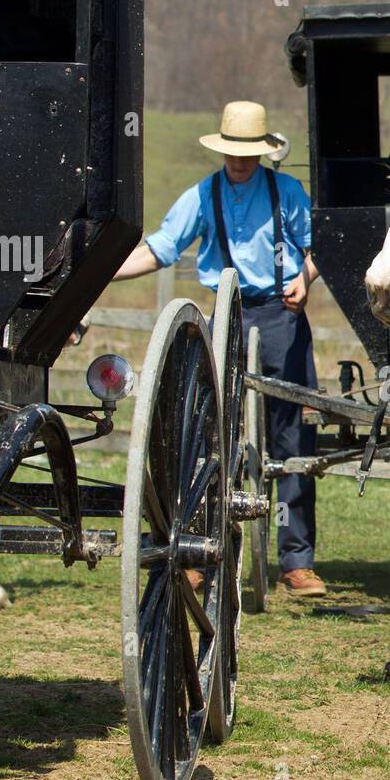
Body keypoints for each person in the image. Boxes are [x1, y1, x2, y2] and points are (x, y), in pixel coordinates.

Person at [114, 100, 327, 598]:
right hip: (227, 317)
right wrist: (98, 273)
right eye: (233, 152)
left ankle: (296, 562)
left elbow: (319, 246)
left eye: (249, 153)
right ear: (222, 150)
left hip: (283, 316)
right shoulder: (202, 195)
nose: (240, 161)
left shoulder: (286, 192)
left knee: (292, 438)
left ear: (260, 153)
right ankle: (201, 553)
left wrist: (305, 277)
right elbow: (160, 248)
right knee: (211, 436)